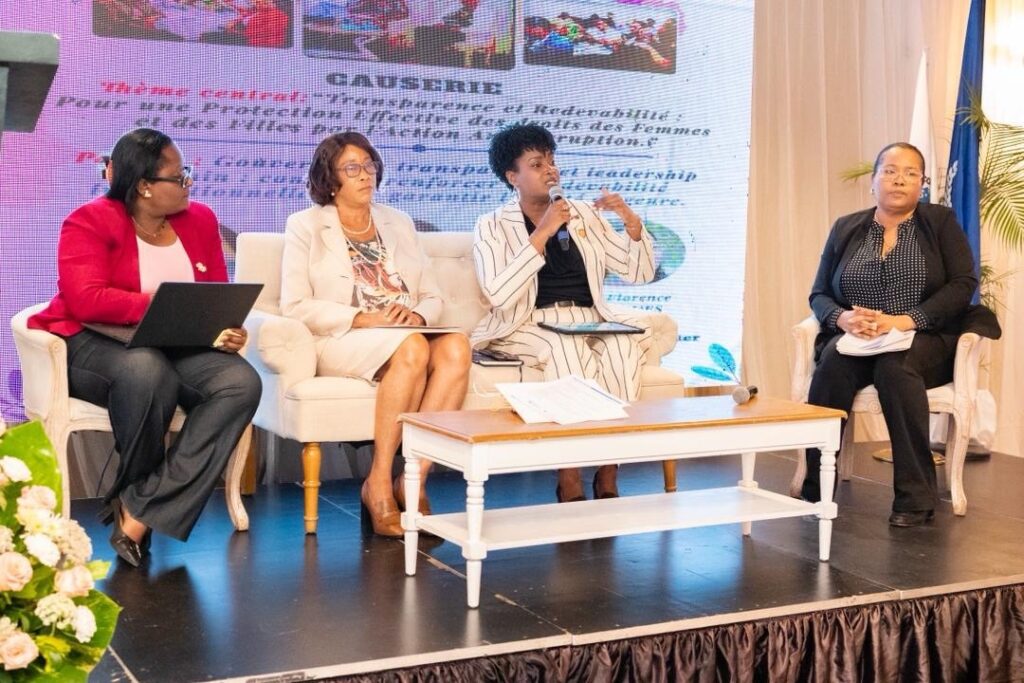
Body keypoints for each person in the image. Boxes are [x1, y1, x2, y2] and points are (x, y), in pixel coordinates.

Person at [28, 128, 261, 566]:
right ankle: (142, 510)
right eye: (180, 176)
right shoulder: (89, 220)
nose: (189, 183)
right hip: (94, 341)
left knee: (240, 383)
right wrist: (155, 305)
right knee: (146, 370)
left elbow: (213, 295)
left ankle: (139, 507)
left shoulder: (201, 220)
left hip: (175, 343)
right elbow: (85, 299)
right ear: (144, 186)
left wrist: (229, 330)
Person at [280, 132, 470, 537]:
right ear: (330, 179)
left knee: (456, 346)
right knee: (413, 348)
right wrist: (363, 318)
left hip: (403, 331)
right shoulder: (305, 226)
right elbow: (295, 306)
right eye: (352, 168)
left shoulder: (398, 222)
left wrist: (415, 314)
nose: (366, 175)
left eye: (369, 165)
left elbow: (432, 295)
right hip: (343, 336)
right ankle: (378, 481)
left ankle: (414, 478)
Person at [472, 123, 656, 502]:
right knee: (565, 351)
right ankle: (568, 471)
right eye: (537, 164)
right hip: (527, 321)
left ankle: (608, 468)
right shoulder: (492, 225)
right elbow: (499, 294)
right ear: (512, 177)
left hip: (589, 315)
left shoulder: (584, 214)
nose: (550, 170)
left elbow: (637, 272)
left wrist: (633, 226)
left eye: (552, 161)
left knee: (623, 350)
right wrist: (542, 232)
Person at [801, 142, 979, 527]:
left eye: (911, 173)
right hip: (858, 337)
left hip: (921, 337)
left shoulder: (940, 223)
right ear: (874, 180)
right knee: (831, 368)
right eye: (890, 170)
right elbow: (819, 293)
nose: (899, 179)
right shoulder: (846, 227)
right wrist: (843, 318)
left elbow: (963, 284)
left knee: (895, 370)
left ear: (922, 184)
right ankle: (816, 488)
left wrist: (905, 320)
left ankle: (915, 498)